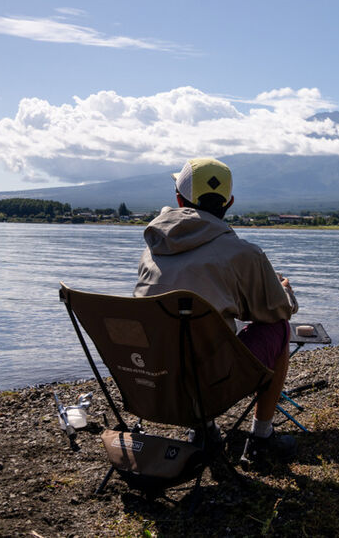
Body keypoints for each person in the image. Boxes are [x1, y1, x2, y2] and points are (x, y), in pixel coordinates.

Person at [135, 157, 299, 465]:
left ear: (179, 199)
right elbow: (279, 311)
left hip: (149, 383)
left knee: (185, 337)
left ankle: (205, 431)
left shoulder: (150, 251)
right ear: (230, 203)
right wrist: (284, 290)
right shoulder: (243, 253)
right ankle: (261, 437)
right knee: (278, 327)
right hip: (210, 389)